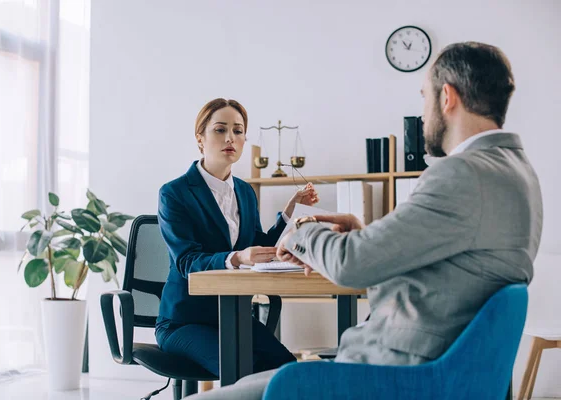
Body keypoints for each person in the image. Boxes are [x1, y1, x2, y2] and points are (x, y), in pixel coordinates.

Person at [190, 42, 543, 400]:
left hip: (391, 376)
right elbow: (447, 270)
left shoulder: (460, 173)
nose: (423, 115)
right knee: (248, 383)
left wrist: (303, 230)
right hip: (428, 368)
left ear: (447, 97)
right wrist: (365, 235)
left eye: (424, 97)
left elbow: (350, 265)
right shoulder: (516, 172)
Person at [155, 98, 319, 377]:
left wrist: (289, 214)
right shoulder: (175, 193)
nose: (230, 137)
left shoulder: (245, 192)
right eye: (220, 130)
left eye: (238, 131)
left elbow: (259, 246)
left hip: (233, 316)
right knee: (244, 369)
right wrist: (236, 258)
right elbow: (186, 260)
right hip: (184, 322)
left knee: (287, 370)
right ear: (200, 139)